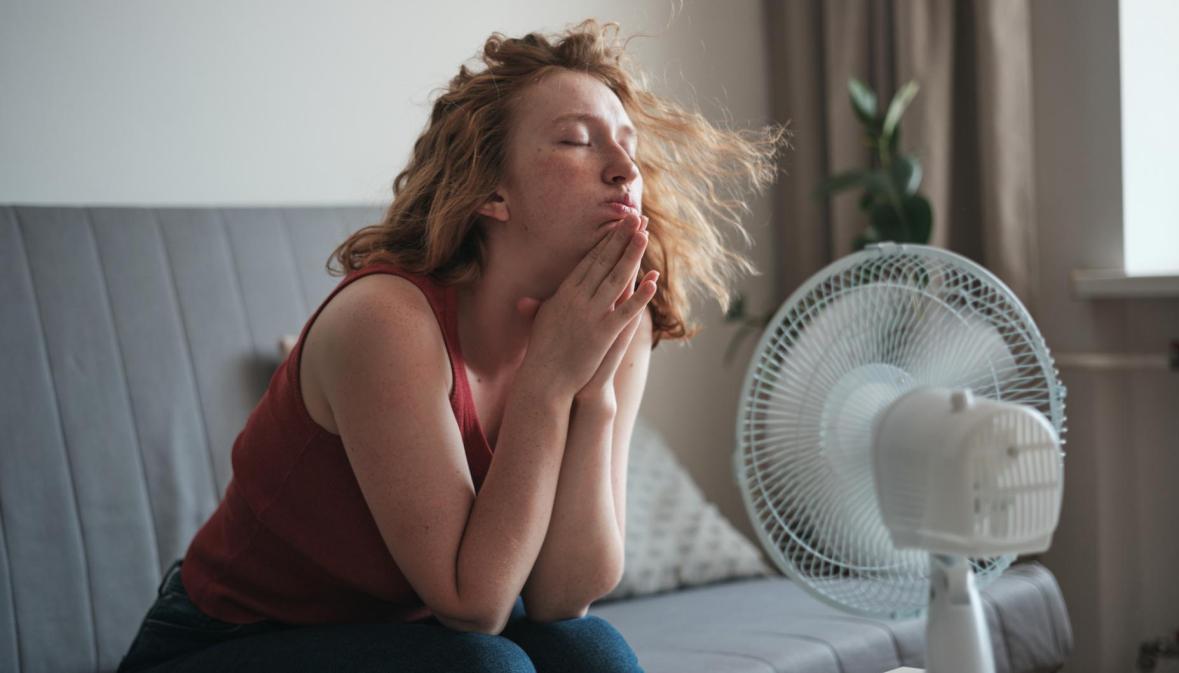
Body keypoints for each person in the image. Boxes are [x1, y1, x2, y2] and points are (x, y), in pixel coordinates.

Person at [116, 18, 784, 673]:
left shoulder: (617, 320)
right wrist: (549, 382)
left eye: (628, 146)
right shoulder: (386, 321)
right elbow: (476, 605)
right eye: (578, 140)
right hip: (224, 642)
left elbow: (563, 595)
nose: (623, 170)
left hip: (411, 636)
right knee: (484, 665)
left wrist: (594, 393)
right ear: (492, 189)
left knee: (593, 653)